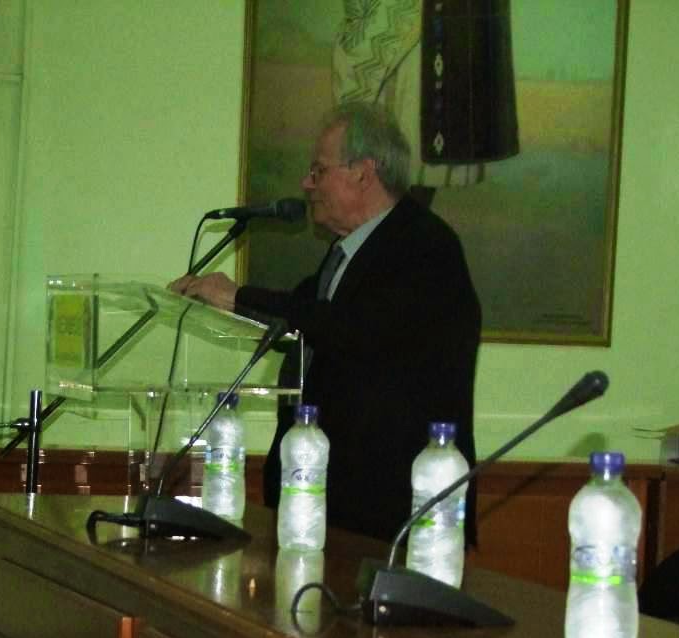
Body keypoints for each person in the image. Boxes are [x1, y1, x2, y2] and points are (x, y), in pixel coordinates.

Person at [169, 102, 480, 545]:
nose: (306, 183)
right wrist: (231, 304)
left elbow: (353, 328)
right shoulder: (346, 254)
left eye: (318, 170)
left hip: (395, 516)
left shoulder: (425, 246)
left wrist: (238, 296)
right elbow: (307, 316)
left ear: (363, 173)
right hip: (330, 504)